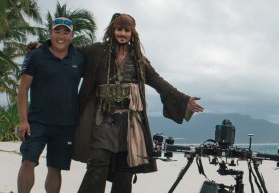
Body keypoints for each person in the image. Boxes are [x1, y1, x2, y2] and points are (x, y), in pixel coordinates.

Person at [73, 13, 204, 193]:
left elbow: (158, 82)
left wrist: (183, 98)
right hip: (102, 120)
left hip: (130, 124)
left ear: (133, 33)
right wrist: (44, 46)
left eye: (127, 30)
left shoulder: (138, 59)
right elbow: (71, 51)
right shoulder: (97, 50)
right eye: (119, 29)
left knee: (124, 172)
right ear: (113, 30)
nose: (122, 34)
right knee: (97, 165)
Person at [17, 17, 84, 193]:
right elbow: (23, 89)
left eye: (65, 32)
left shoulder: (79, 58)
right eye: (57, 31)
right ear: (50, 33)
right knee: (28, 161)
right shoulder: (36, 55)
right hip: (37, 122)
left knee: (55, 168)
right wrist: (23, 121)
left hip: (66, 123)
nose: (61, 35)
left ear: (72, 36)